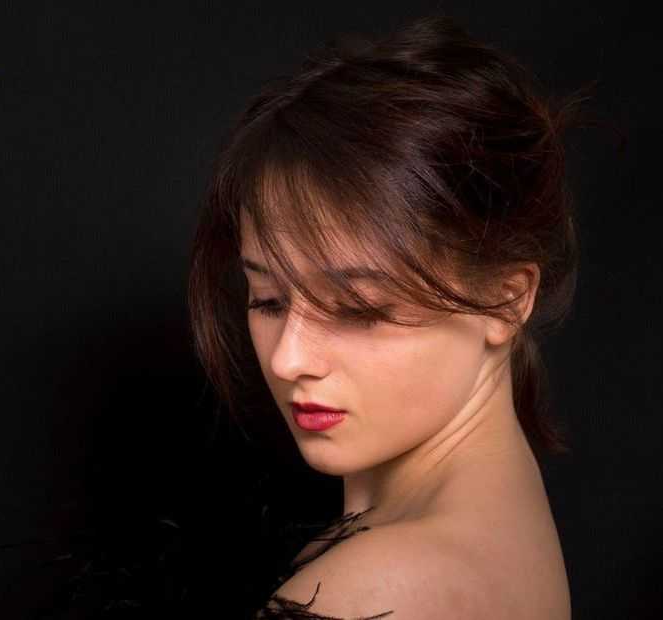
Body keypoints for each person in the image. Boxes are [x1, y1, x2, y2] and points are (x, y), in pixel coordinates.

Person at [187, 13, 597, 619]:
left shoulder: (377, 591)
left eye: (357, 309)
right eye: (268, 299)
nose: (288, 359)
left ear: (506, 299)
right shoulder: (496, 525)